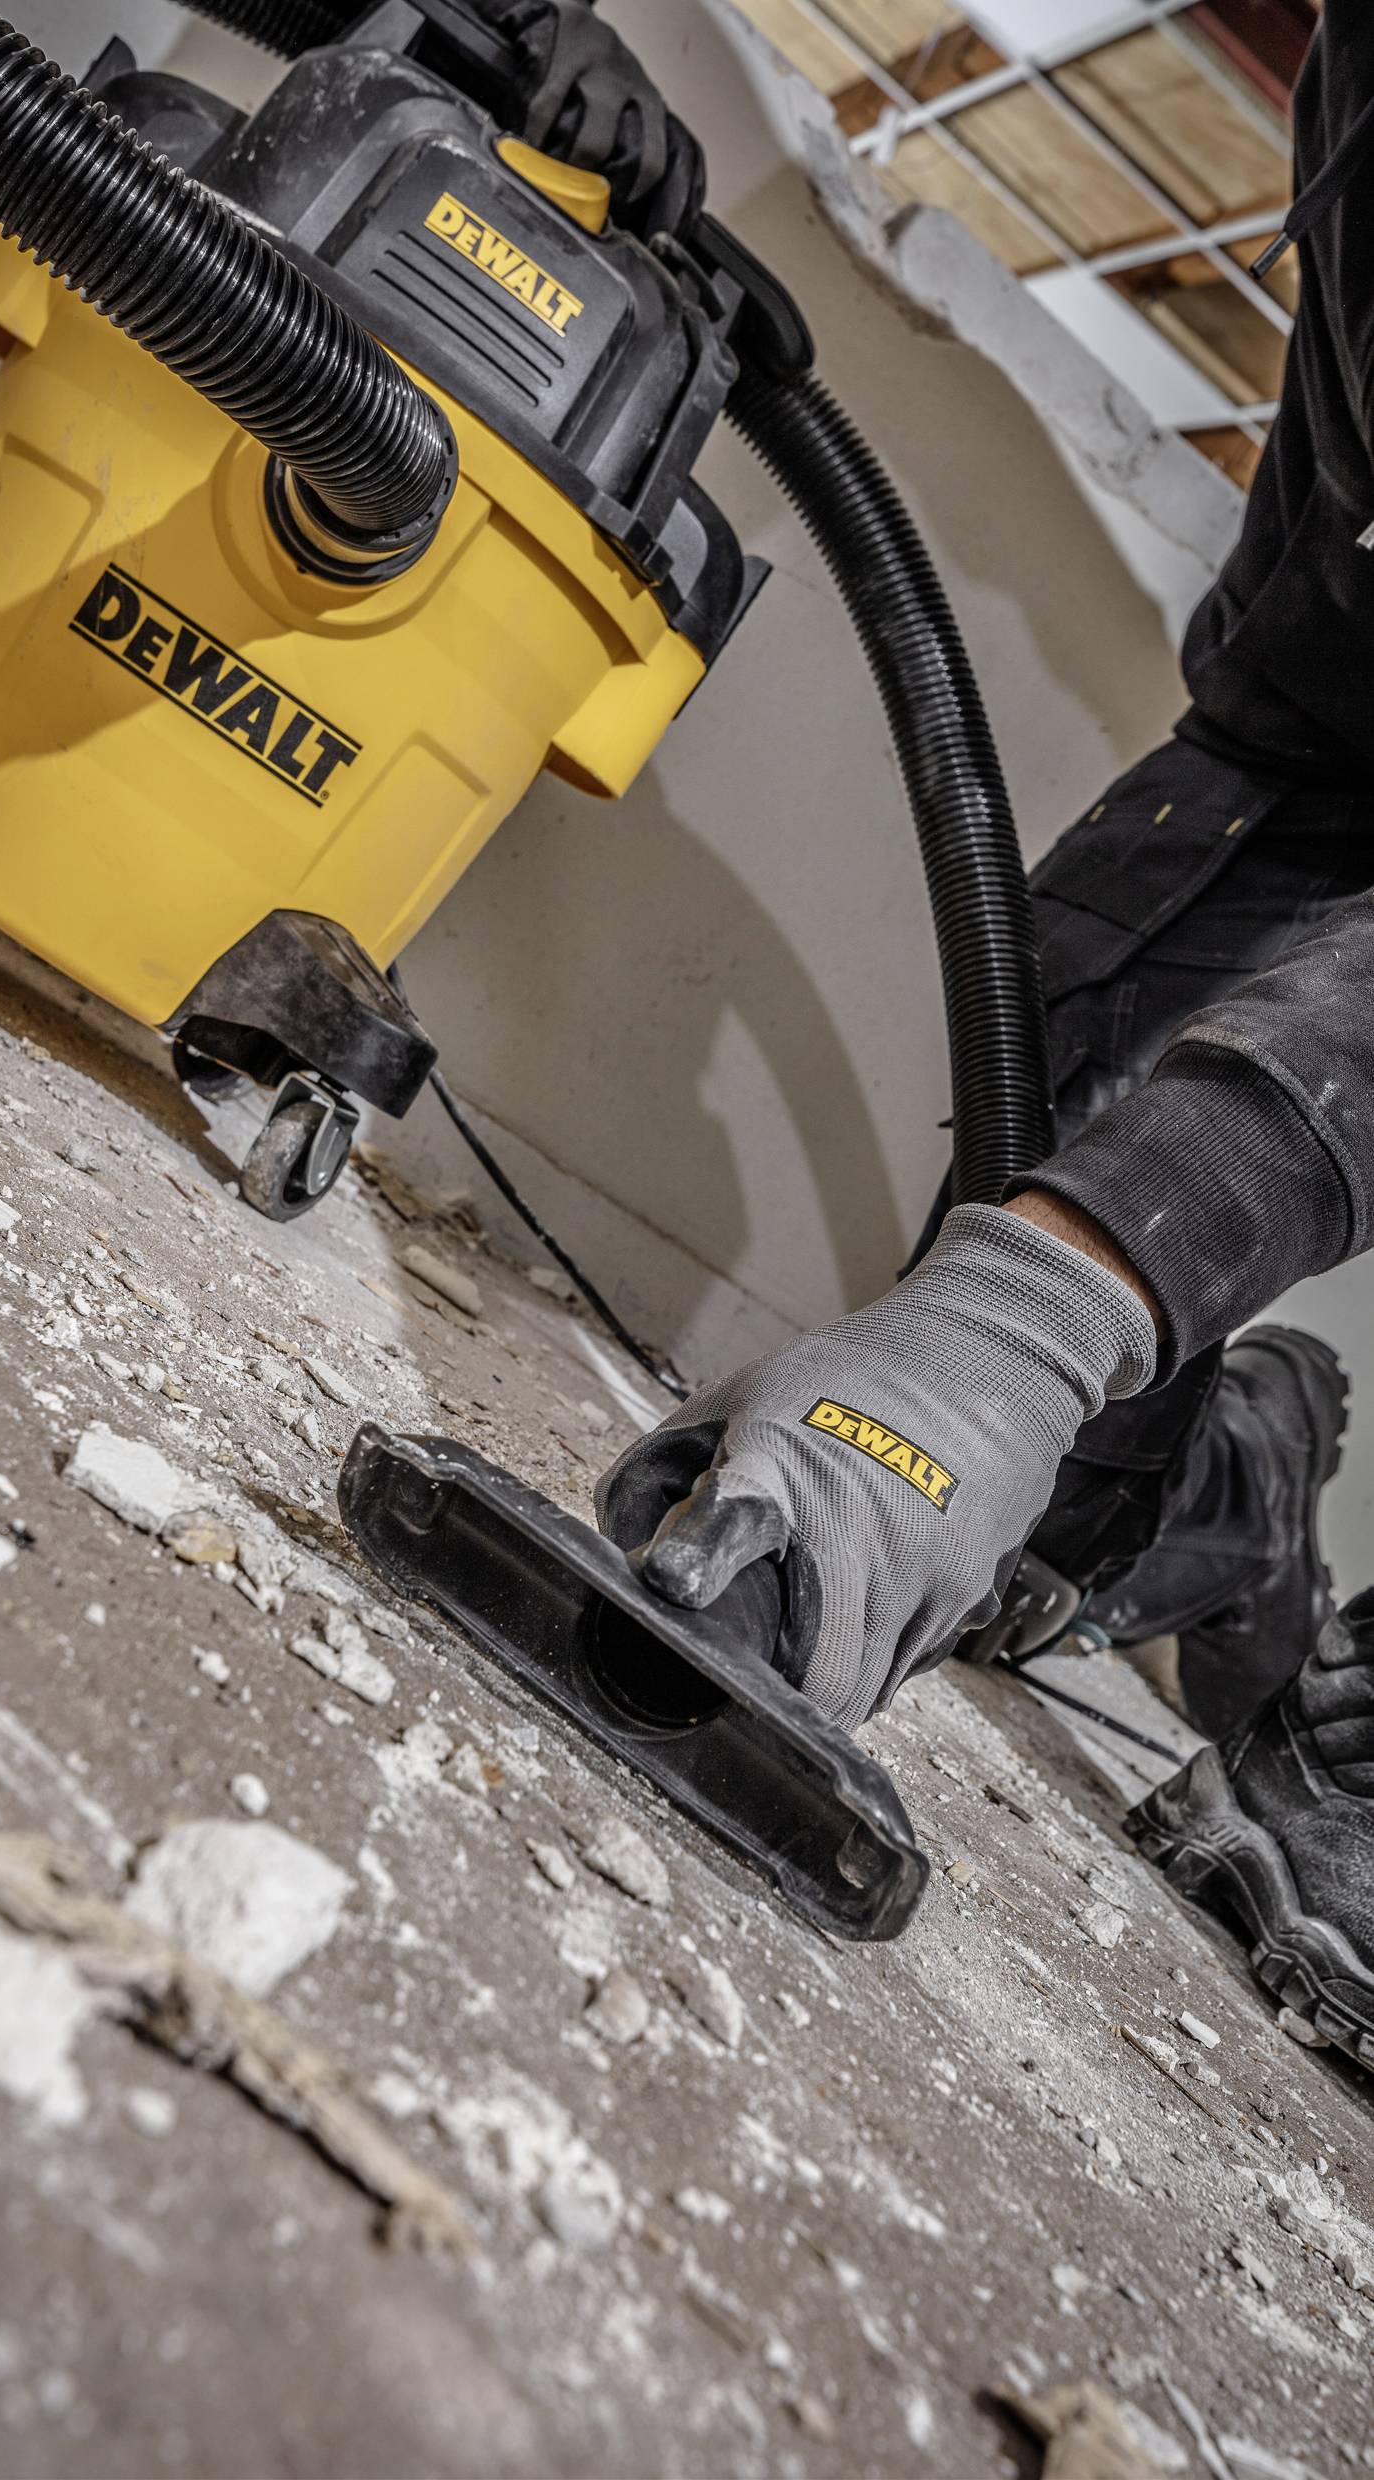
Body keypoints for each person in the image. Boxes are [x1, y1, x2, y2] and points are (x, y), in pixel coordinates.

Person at [575, 1, 1373, 2063]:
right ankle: (1217, 1487)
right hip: (1304, 748)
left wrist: (984, 1354)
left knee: (1000, 1341)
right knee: (1043, 1270)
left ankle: (1342, 1769)